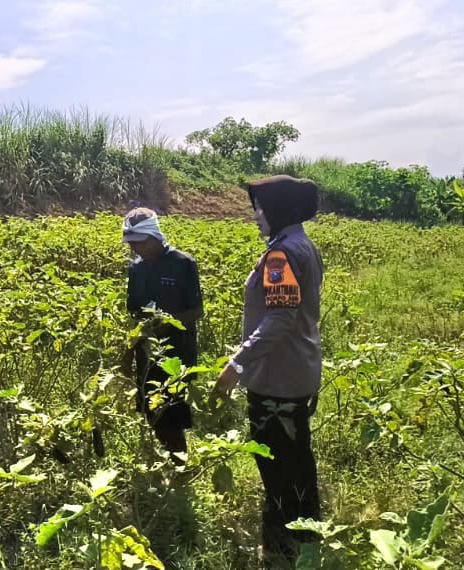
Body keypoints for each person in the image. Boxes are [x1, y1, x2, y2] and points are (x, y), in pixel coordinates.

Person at [215, 175, 324, 565]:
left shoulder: (281, 255)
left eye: (260, 208)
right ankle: (308, 536)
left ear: (278, 210)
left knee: (276, 465)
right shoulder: (302, 245)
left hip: (278, 378)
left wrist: (237, 363)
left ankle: (279, 549)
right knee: (298, 460)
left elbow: (279, 318)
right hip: (299, 371)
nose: (255, 216)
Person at [122, 207, 203, 466]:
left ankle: (180, 467)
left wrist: (166, 323)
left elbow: (196, 311)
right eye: (132, 244)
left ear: (155, 236)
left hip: (176, 355)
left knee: (172, 413)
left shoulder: (183, 263)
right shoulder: (136, 268)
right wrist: (128, 353)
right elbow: (133, 313)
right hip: (146, 353)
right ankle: (160, 464)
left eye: (140, 243)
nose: (136, 249)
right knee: (150, 409)